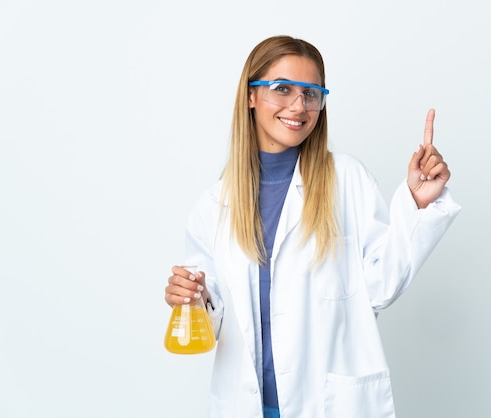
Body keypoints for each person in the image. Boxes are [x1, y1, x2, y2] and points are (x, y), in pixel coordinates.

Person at [164, 35, 461, 418]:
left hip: (327, 405)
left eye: (311, 94)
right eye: (282, 89)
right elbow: (214, 316)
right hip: (247, 405)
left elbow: (381, 286)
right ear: (250, 96)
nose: (298, 106)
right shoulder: (214, 204)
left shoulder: (346, 180)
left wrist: (419, 203)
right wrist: (193, 295)